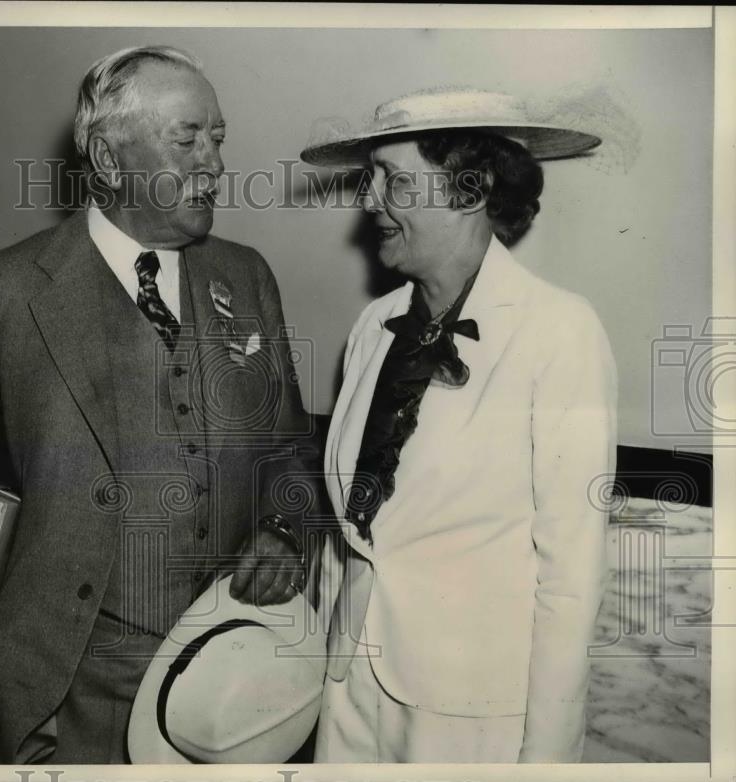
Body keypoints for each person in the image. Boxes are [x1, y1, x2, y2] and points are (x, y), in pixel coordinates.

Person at [0, 45, 315, 764]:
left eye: (217, 138)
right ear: (108, 155)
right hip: (66, 693)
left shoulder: (246, 277)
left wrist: (284, 526)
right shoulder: (3, 295)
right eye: (187, 138)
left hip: (226, 679)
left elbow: (291, 448)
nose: (214, 162)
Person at [301, 89, 618, 763]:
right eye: (369, 178)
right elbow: (358, 535)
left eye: (394, 180)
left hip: (474, 718)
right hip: (351, 688)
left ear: (469, 191)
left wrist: (548, 762)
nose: (368, 202)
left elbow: (572, 576)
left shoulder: (559, 332)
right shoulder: (372, 327)